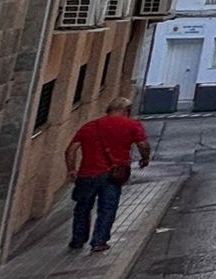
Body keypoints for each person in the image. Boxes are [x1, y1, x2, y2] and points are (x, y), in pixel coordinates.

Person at [65, 101, 152, 253]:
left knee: (82, 208)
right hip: (113, 175)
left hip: (86, 174)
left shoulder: (90, 126)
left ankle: (78, 240)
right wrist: (145, 158)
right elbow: (143, 145)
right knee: (107, 208)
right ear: (126, 110)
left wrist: (71, 169)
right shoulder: (132, 125)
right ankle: (99, 241)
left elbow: (70, 150)